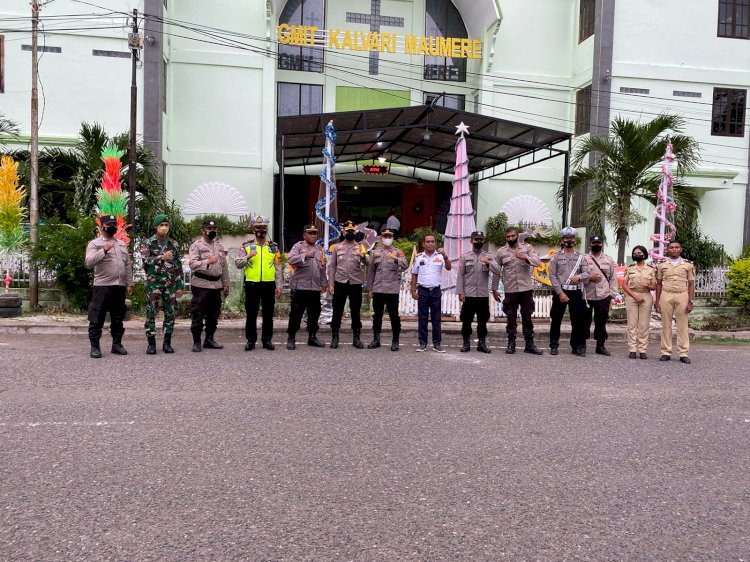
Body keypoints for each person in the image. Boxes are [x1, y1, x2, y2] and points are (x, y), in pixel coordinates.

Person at [84, 214, 133, 358]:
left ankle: (117, 345)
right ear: (101, 227)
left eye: (113, 224)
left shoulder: (121, 244)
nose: (112, 227)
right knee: (97, 317)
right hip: (102, 286)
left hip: (119, 286)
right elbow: (89, 262)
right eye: (108, 225)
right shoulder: (95, 244)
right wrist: (104, 250)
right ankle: (95, 347)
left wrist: (129, 283)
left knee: (118, 318)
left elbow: (127, 265)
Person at [492, 226, 543, 355]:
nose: (510, 238)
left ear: (517, 236)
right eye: (508, 237)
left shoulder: (527, 248)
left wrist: (525, 257)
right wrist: (494, 289)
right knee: (511, 317)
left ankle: (529, 344)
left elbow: (538, 262)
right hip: (511, 290)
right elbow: (497, 271)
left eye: (513, 236)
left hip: (526, 289)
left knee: (527, 317)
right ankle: (511, 343)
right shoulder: (501, 252)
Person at [235, 214, 282, 351]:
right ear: (253, 229)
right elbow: (238, 263)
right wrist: (248, 256)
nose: (261, 230)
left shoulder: (273, 247)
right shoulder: (246, 246)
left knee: (268, 315)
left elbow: (278, 268)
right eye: (258, 227)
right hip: (252, 284)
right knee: (251, 314)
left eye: (263, 227)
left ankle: (267, 340)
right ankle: (251, 340)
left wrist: (278, 286)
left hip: (268, 285)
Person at [140, 213, 184, 355]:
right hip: (153, 285)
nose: (164, 228)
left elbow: (178, 266)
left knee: (170, 314)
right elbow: (146, 260)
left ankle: (167, 343)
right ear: (155, 227)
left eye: (166, 225)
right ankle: (151, 344)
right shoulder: (147, 243)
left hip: (169, 284)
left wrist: (179, 285)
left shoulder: (173, 244)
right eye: (161, 225)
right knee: (151, 313)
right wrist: (161, 257)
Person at [188, 219, 230, 352]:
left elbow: (224, 267)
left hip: (216, 285)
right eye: (209, 229)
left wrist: (226, 284)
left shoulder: (219, 247)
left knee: (213, 315)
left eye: (214, 229)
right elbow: (192, 264)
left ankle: (209, 339)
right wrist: (207, 261)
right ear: (203, 230)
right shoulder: (196, 246)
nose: (212, 231)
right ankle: (196, 342)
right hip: (201, 285)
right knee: (198, 313)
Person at [548, 227, 591, 356]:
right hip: (560, 291)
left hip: (575, 292)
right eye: (566, 238)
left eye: (571, 238)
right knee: (556, 319)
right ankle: (554, 345)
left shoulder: (580, 257)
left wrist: (579, 277)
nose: (569, 240)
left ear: (575, 240)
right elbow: (552, 276)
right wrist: (560, 292)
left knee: (577, 321)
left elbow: (587, 272)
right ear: (562, 240)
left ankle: (576, 346)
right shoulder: (556, 257)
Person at [456, 231, 500, 353]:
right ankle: (466, 343)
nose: (479, 242)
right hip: (469, 295)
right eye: (476, 239)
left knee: (482, 321)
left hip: (482, 295)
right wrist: (460, 292)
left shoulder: (489, 256)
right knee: (466, 321)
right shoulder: (465, 257)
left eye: (481, 239)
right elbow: (460, 275)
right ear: (471, 241)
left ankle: (482, 343)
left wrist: (488, 262)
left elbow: (497, 270)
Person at [328, 220, 369, 349]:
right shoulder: (336, 247)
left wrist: (362, 255)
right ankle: (335, 337)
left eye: (352, 231)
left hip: (355, 282)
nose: (350, 233)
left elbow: (368, 263)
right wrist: (330, 283)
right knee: (337, 311)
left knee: (355, 311)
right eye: (348, 231)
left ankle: (356, 338)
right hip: (340, 282)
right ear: (343, 231)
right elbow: (332, 266)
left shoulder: (360, 246)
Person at [286, 224, 327, 350]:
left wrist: (324, 283)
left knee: (314, 314)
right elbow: (290, 259)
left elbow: (322, 267)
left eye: (315, 233)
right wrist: (305, 256)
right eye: (310, 233)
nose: (313, 235)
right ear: (304, 235)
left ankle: (312, 337)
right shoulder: (298, 246)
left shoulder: (320, 249)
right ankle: (291, 338)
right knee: (296, 315)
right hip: (300, 288)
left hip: (314, 288)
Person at [366, 228, 408, 351]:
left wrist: (395, 258)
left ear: (393, 238)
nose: (387, 238)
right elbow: (371, 272)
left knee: (394, 316)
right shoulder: (375, 252)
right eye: (385, 236)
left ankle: (395, 341)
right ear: (381, 238)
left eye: (389, 236)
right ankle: (376, 339)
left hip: (392, 289)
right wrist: (370, 288)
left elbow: (405, 265)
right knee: (377, 316)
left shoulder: (397, 252)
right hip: (378, 288)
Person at [655, 241, 696, 364]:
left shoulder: (688, 265)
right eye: (671, 247)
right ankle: (666, 352)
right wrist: (657, 302)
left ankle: (683, 353)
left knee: (682, 326)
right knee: (666, 324)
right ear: (667, 250)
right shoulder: (662, 265)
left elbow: (691, 284)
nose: (674, 249)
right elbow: (658, 284)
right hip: (666, 294)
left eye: (677, 247)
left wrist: (690, 301)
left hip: (682, 294)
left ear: (681, 249)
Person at [410, 233, 451, 352]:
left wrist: (445, 255)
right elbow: (414, 275)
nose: (430, 244)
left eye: (432, 241)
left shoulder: (440, 256)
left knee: (436, 319)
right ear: (423, 244)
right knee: (422, 318)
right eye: (427, 241)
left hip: (435, 291)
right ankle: (423, 343)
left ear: (435, 243)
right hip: (422, 291)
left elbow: (449, 268)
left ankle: (437, 344)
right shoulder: (419, 258)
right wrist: (413, 290)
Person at [582, 235, 618, 356]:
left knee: (601, 323)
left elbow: (613, 277)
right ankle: (582, 345)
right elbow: (578, 276)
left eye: (598, 243)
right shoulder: (584, 259)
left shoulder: (609, 259)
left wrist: (611, 294)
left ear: (602, 244)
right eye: (593, 243)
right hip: (587, 296)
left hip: (603, 296)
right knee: (584, 322)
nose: (596, 245)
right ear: (589, 244)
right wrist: (589, 278)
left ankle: (600, 346)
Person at [622, 245, 656, 359]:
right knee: (632, 324)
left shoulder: (651, 269)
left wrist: (647, 285)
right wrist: (635, 296)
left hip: (646, 296)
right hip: (632, 296)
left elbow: (654, 286)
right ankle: (632, 349)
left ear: (644, 254)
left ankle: (642, 350)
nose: (637, 254)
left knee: (644, 325)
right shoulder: (630, 268)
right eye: (635, 253)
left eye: (639, 253)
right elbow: (624, 285)